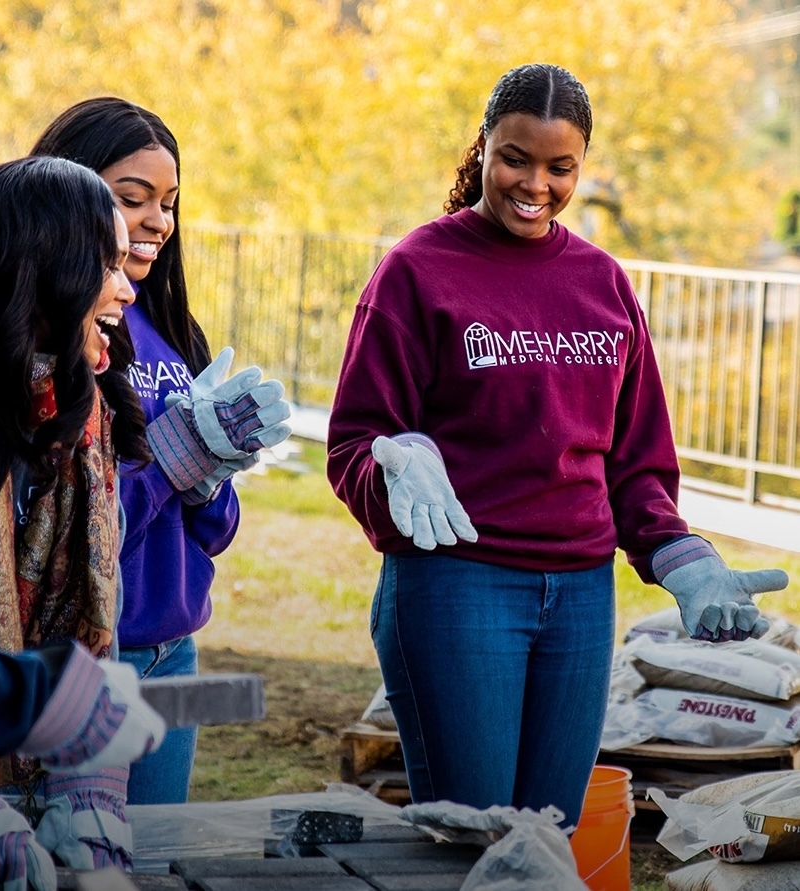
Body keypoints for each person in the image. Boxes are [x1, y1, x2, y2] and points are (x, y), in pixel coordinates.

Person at [326, 63, 790, 828]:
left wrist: (685, 561)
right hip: (456, 587)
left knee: (550, 835)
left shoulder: (601, 282)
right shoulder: (416, 270)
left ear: (582, 165)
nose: (533, 182)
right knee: (472, 834)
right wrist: (389, 464)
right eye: (514, 157)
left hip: (579, 596)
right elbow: (351, 444)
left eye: (559, 166)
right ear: (481, 148)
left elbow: (636, 464)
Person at [31, 97, 292, 805]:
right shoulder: (66, 327)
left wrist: (212, 480)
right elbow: (59, 521)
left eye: (169, 202)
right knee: (80, 857)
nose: (157, 222)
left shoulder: (167, 325)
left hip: (171, 649)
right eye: (132, 198)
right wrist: (170, 462)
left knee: (150, 861)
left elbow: (211, 533)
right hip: (86, 650)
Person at [0, 157, 166, 889]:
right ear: (40, 269)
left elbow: (85, 624)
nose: (127, 288)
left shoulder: (73, 411)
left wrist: (89, 784)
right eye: (105, 262)